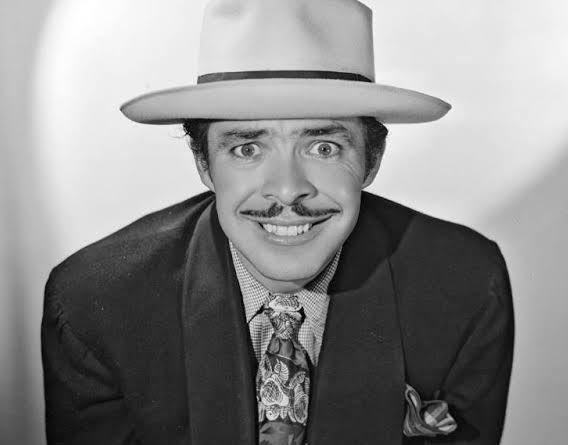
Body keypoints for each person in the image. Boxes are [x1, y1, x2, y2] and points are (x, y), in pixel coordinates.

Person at [41, 1, 514, 444]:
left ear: (371, 160)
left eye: (324, 147)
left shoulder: (467, 286)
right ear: (203, 163)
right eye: (248, 148)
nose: (287, 190)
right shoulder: (93, 305)